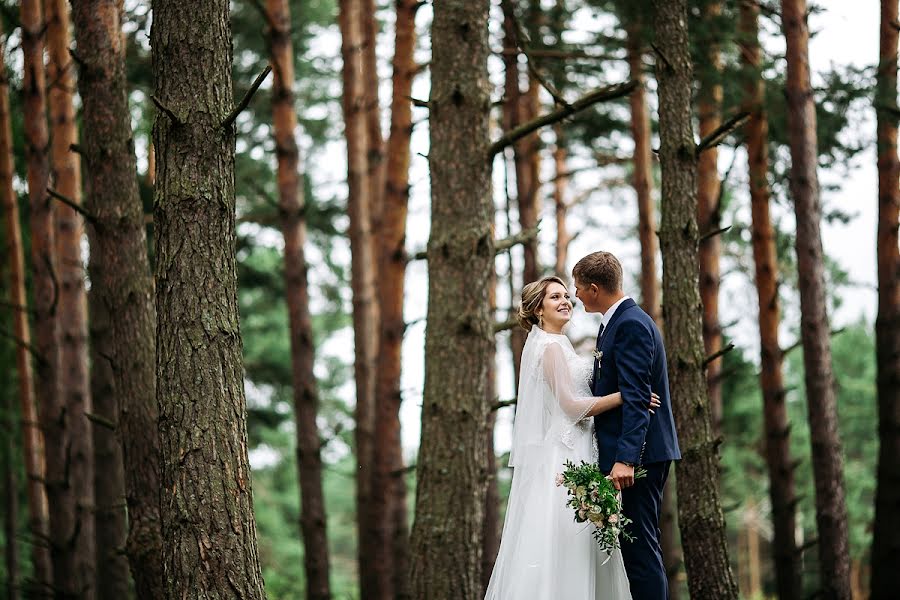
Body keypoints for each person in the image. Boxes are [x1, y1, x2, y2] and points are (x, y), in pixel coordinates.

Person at [485, 275, 658, 600]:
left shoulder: (559, 343)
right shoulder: (548, 347)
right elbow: (570, 405)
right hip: (565, 455)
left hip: (581, 450)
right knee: (566, 545)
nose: (566, 301)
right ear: (538, 309)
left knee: (586, 544)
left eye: (567, 295)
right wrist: (627, 396)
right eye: (555, 298)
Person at [573, 252, 681, 600]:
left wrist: (626, 459)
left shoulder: (631, 324)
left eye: (577, 288)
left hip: (641, 456)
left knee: (641, 551)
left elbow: (638, 400)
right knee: (633, 548)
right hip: (632, 453)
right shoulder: (613, 323)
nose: (575, 295)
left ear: (593, 288)